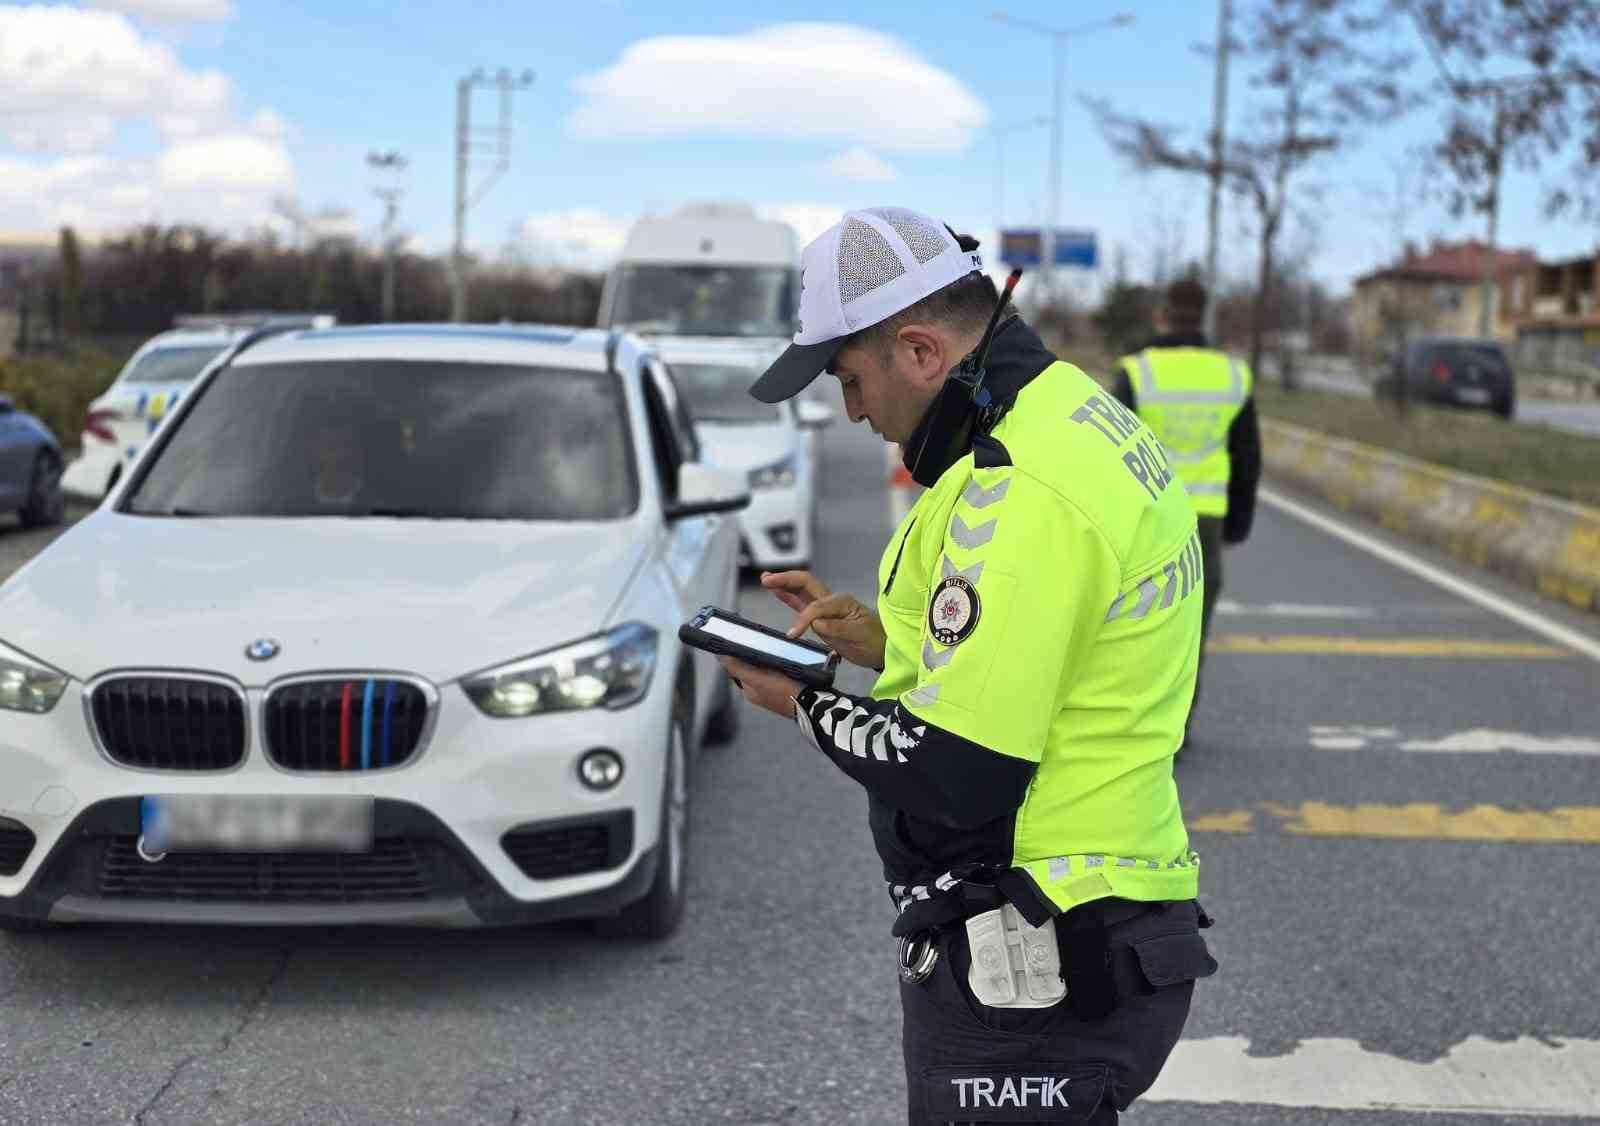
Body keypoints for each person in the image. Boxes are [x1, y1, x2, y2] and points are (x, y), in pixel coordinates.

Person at [719, 207, 1217, 1126]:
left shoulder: (1020, 482)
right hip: (1099, 913)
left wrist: (800, 702)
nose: (852, 409)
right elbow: (1056, 644)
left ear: (917, 350)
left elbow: (958, 771)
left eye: (849, 378)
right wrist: (890, 645)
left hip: (1041, 945)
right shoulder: (1068, 412)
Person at [1111, 279, 1262, 744]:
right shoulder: (1234, 375)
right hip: (1206, 521)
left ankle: (1136, 727)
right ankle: (1177, 729)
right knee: (1190, 630)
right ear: (1204, 315)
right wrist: (1238, 525)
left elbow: (1109, 451)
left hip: (1145, 518)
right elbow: (1247, 454)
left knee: (1136, 627)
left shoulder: (1137, 372)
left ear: (1163, 313)